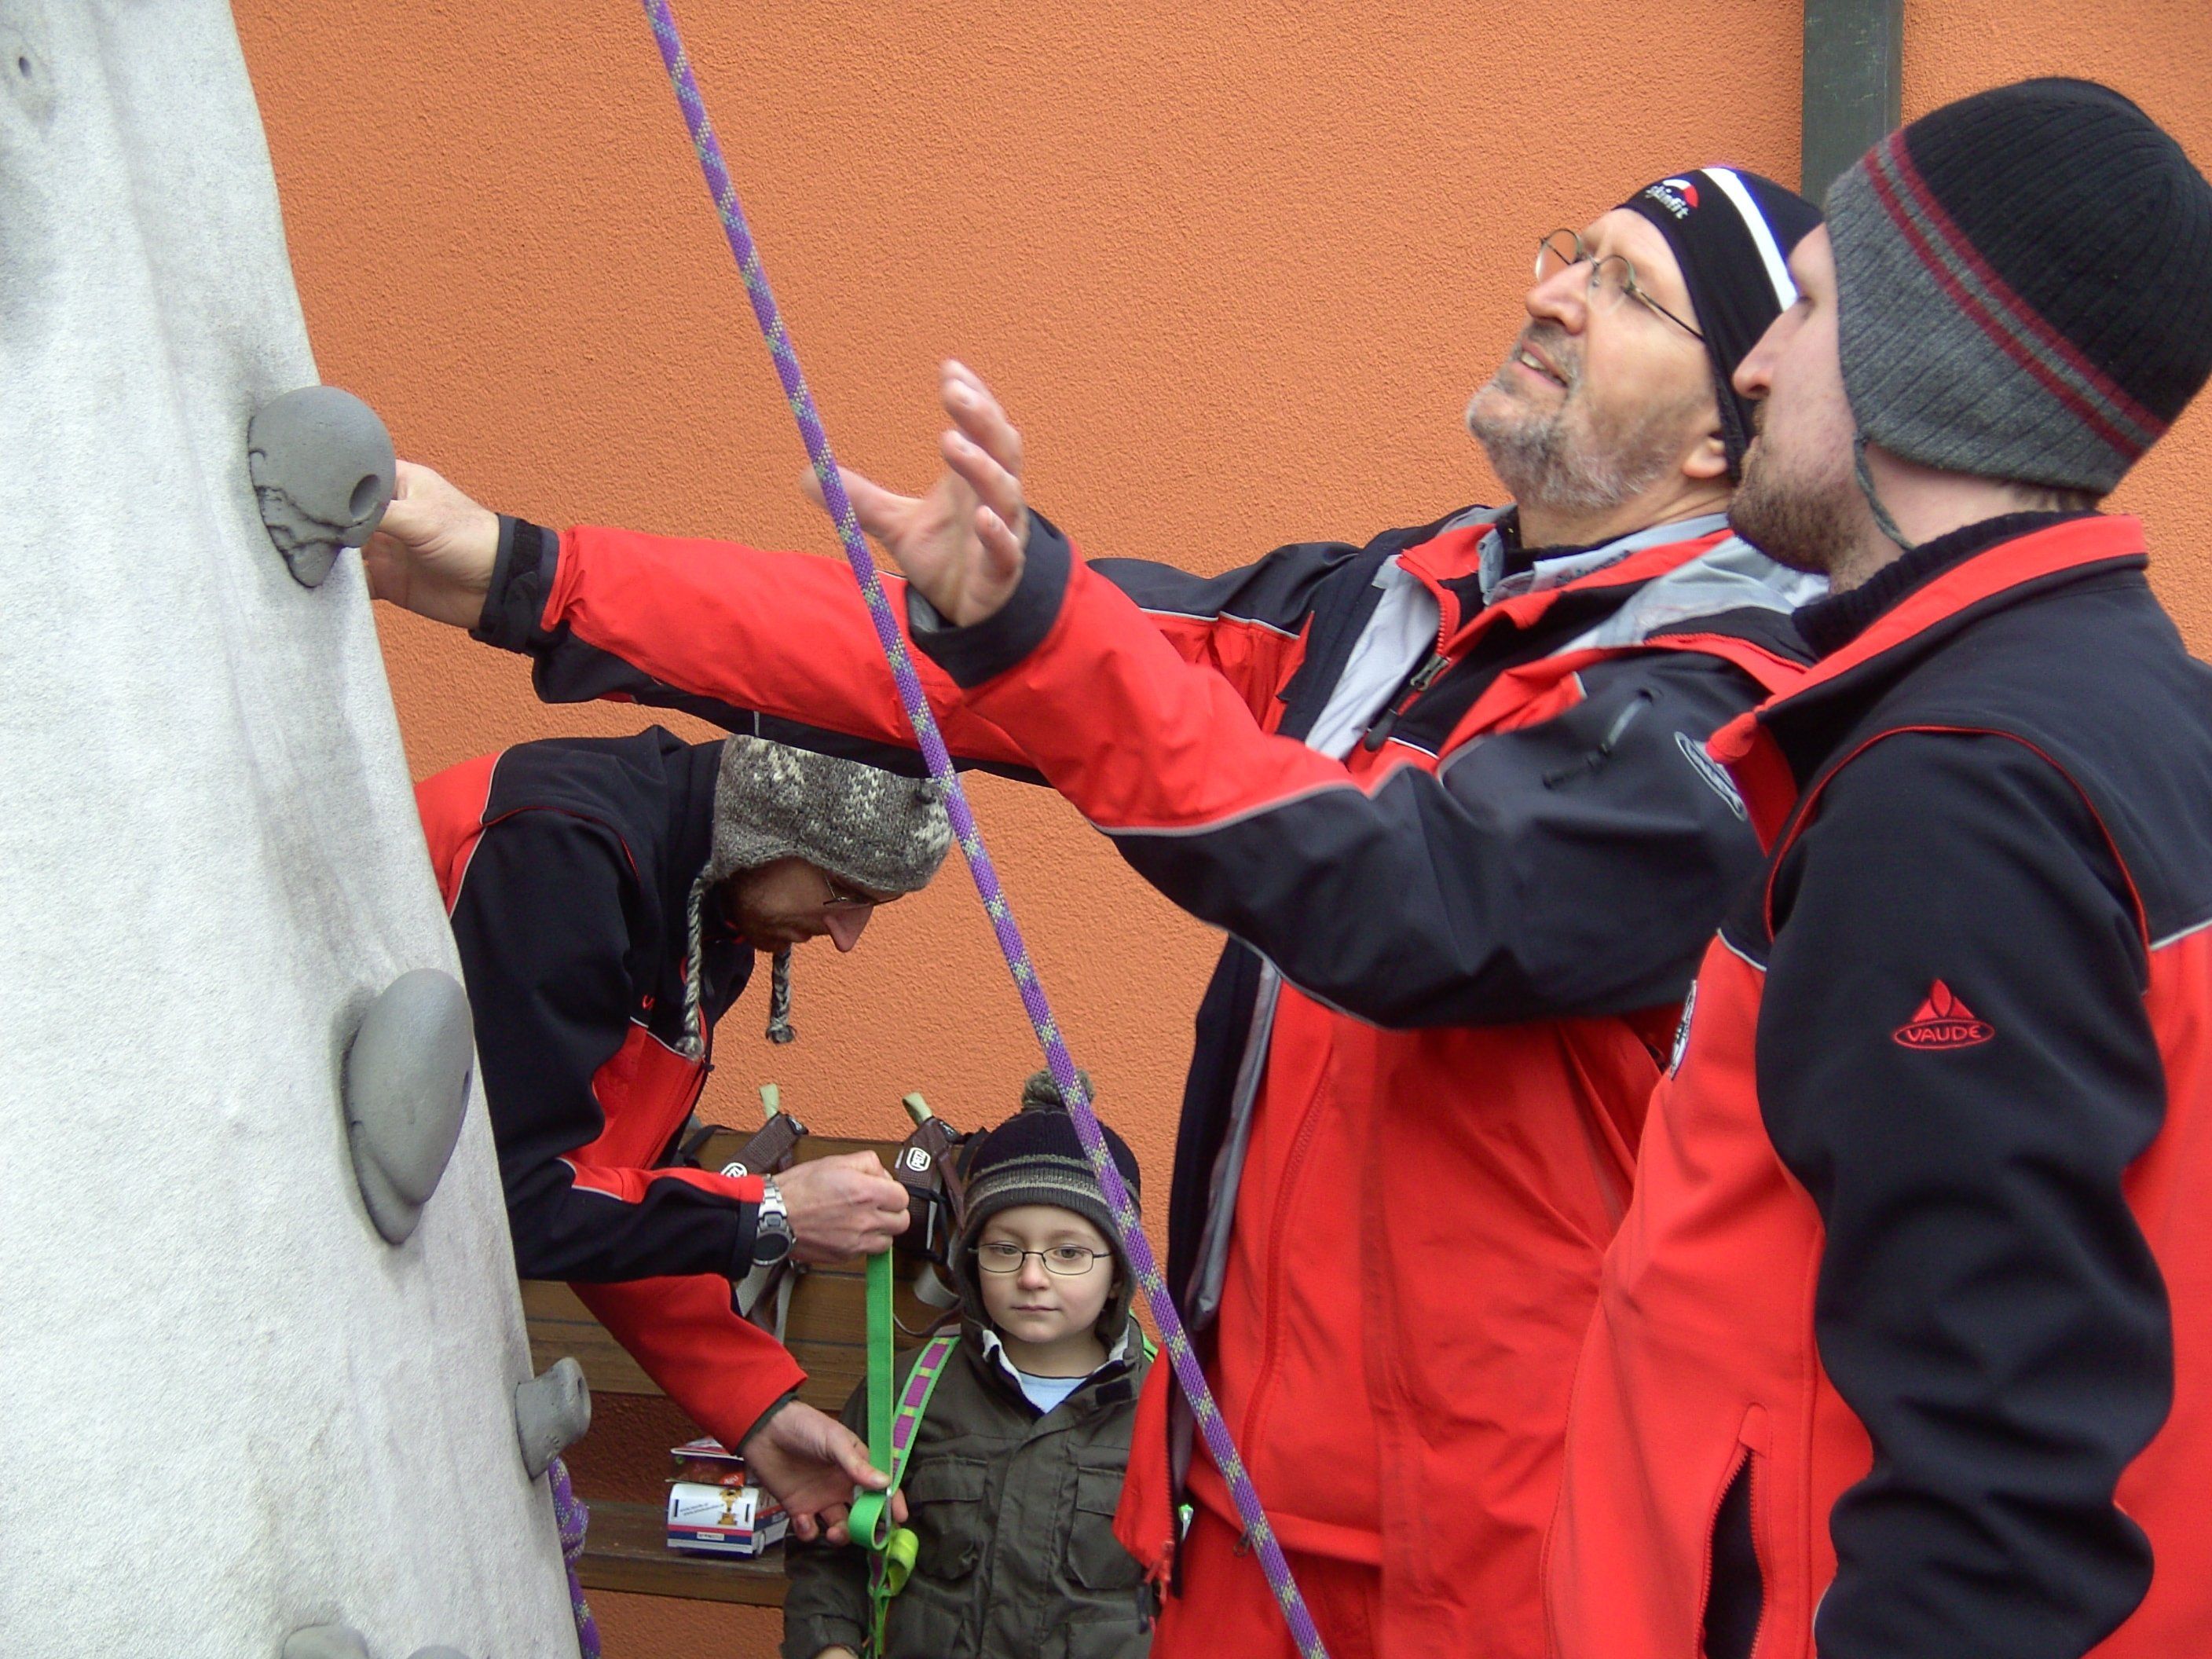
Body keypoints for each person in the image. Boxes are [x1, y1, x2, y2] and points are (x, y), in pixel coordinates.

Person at [367, 164, 1822, 1659]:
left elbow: (1409, 899)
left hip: (1517, 1554)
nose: (1552, 292)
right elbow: (926, 664)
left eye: (1626, 287)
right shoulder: (1392, 600)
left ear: (1727, 424)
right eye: (1571, 251)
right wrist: (529, 574)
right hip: (1247, 1510)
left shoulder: (1737, 704)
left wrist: (1039, 639)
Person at [1540, 80, 2212, 1659]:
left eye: (1811, 307)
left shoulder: (1956, 797)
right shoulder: (2134, 710)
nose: (1755, 364)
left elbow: (1994, 1487)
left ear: (1929, 363)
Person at [416, 727, 950, 1540]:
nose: (846, 937)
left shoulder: (711, 912)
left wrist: (760, 1410)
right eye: (845, 891)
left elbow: (603, 1192)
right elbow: (510, 1198)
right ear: (769, 825)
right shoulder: (562, 849)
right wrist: (768, 1212)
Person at [779, 1075, 1153, 1659]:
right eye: (1004, 1249)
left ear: (1118, 1273)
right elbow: (830, 1556)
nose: (1032, 1276)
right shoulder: (904, 1395)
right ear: (971, 1259)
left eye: (1069, 1253)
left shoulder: (1174, 1412)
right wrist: (831, 1647)